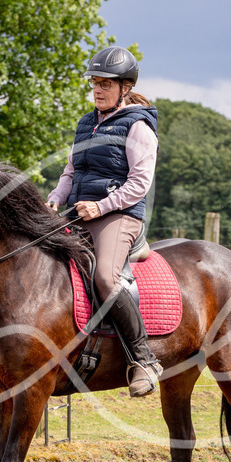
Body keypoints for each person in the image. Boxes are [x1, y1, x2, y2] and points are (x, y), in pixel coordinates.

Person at [47, 46, 164, 397]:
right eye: (95, 83)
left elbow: (140, 184)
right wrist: (55, 198)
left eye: (106, 84)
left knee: (104, 276)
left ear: (124, 87)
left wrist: (101, 207)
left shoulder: (139, 126)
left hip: (120, 216)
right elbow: (71, 172)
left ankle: (143, 359)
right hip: (79, 212)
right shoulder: (85, 124)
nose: (97, 90)